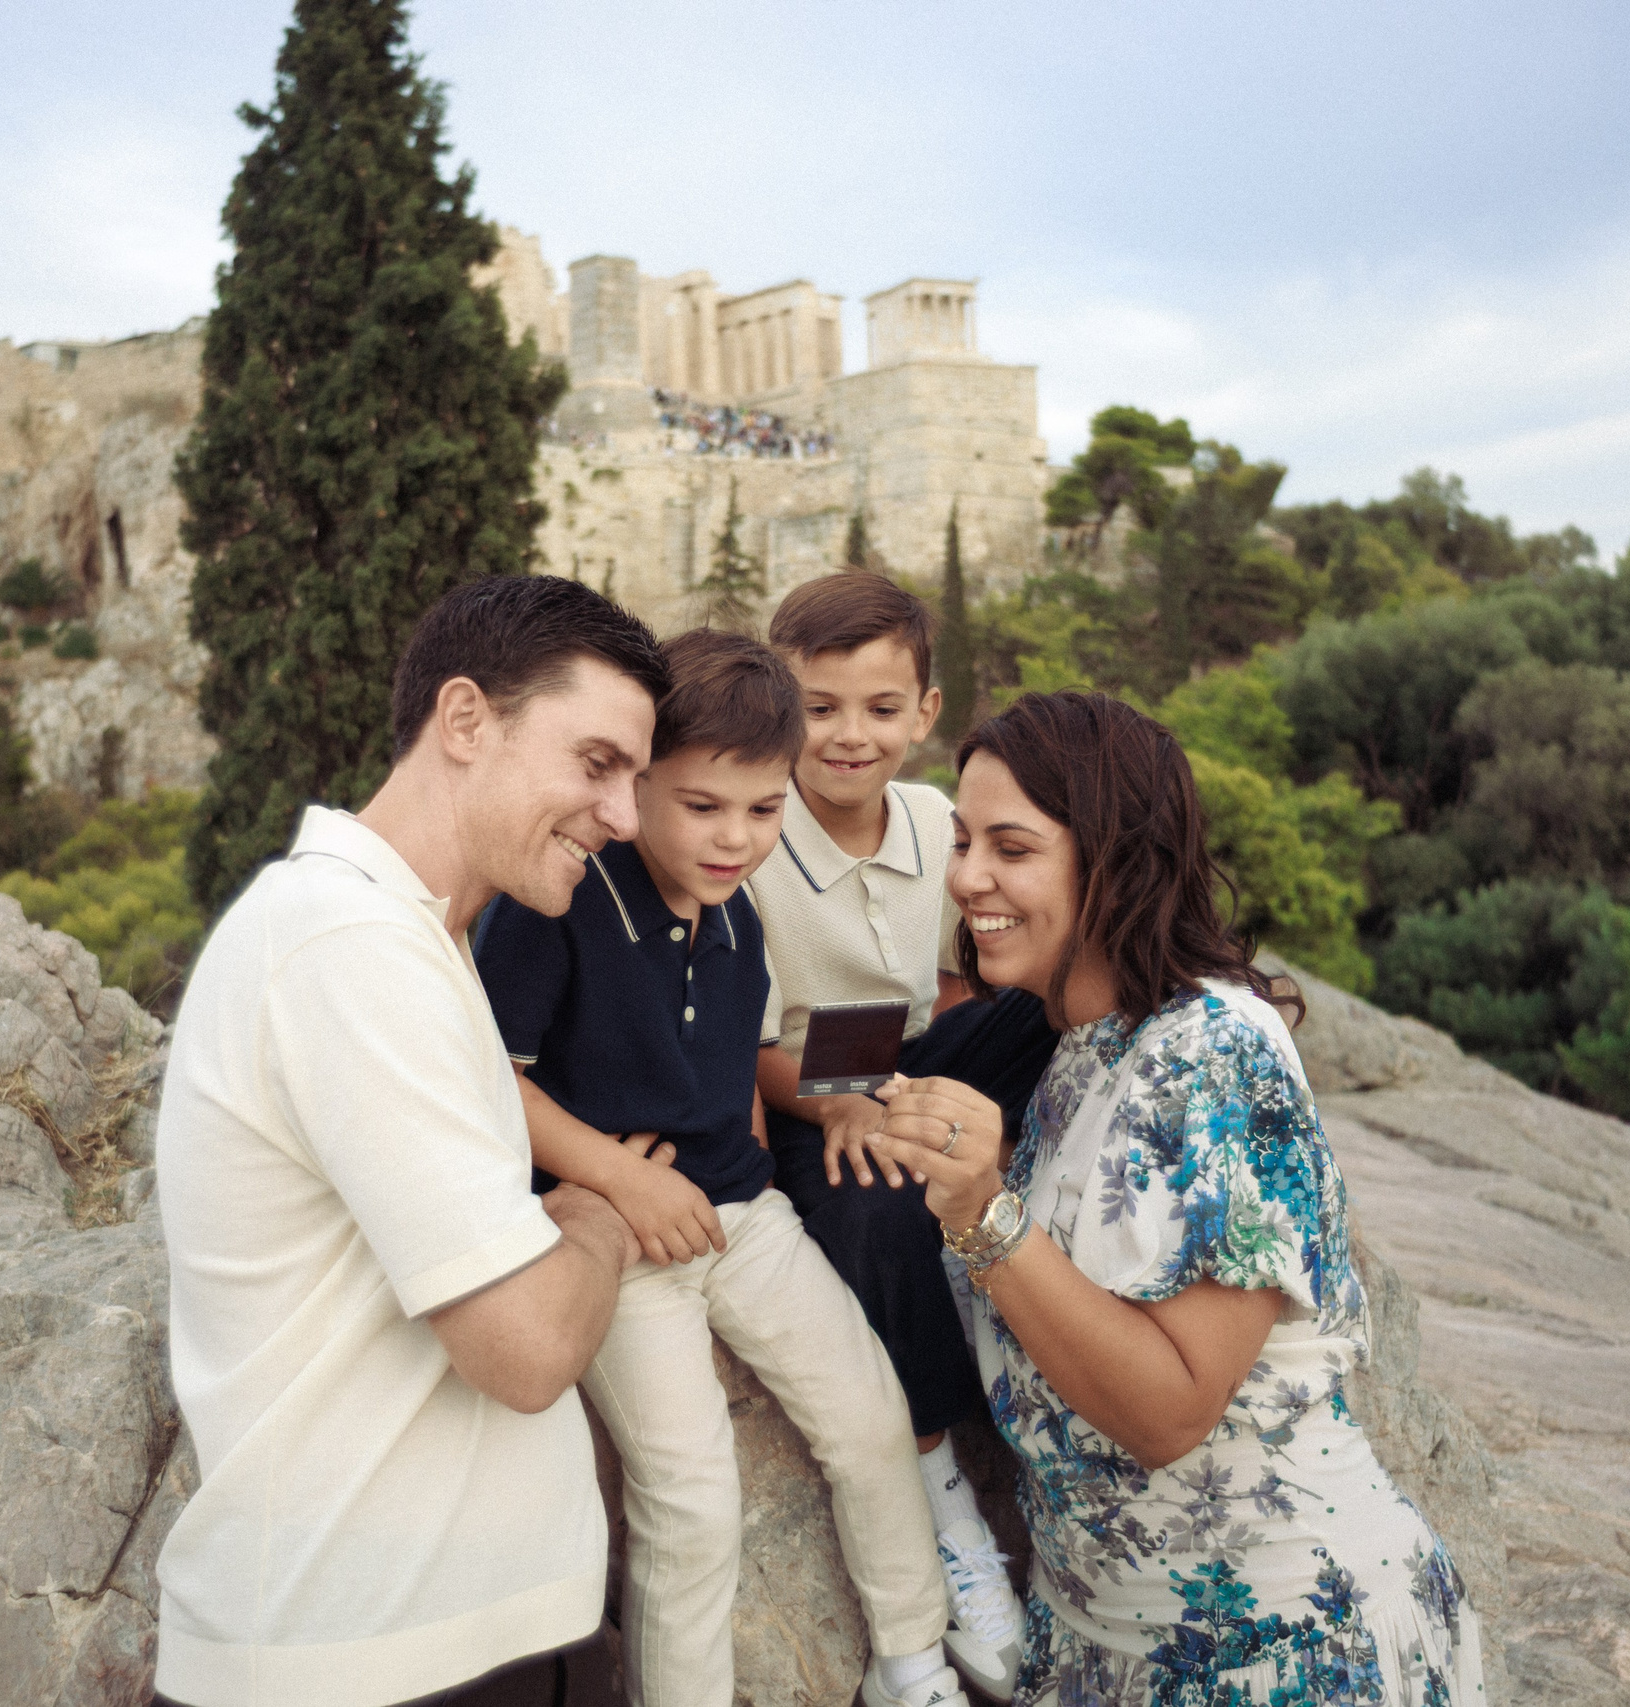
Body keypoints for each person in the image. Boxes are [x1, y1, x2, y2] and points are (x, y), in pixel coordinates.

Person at [862, 691, 1486, 1707]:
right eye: (962, 840)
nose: (966, 876)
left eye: (1011, 848)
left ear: (1116, 862)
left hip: (1282, 1656)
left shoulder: (1218, 1051)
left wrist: (981, 1212)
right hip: (1097, 1648)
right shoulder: (1074, 1048)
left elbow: (1170, 1410)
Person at [151, 576, 672, 1707]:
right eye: (597, 764)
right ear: (467, 720)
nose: (626, 818)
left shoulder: (413, 941)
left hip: (458, 1638)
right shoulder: (348, 945)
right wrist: (594, 1214)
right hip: (369, 1660)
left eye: (634, 779)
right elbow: (527, 1346)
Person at [475, 629, 968, 1707]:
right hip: (616, 1240)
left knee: (871, 1416)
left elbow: (736, 1061)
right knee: (691, 1500)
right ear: (637, 781)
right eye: (701, 805)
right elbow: (489, 1082)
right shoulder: (560, 901)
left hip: (742, 1214)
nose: (735, 837)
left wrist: (790, 1152)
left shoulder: (739, 911)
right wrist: (618, 1179)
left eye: (763, 808)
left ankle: (913, 1659)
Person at [747, 571, 1055, 1699]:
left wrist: (928, 1093)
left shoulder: (932, 819)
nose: (849, 736)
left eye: (881, 709)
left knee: (1048, 1013)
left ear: (925, 712)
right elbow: (744, 1045)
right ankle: (947, 1506)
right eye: (818, 707)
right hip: (804, 1094)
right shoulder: (751, 829)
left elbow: (955, 975)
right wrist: (837, 1103)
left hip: (908, 1063)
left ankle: (1040, 1217)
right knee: (877, 1209)